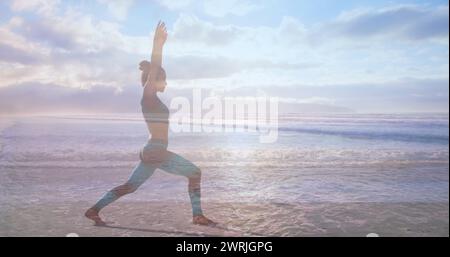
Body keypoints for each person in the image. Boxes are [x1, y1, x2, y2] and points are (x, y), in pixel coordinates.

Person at [85, 21, 216, 226]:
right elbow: (155, 68)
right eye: (163, 80)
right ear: (154, 81)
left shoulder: (153, 100)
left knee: (130, 186)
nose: (166, 84)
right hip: (156, 151)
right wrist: (158, 45)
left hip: (152, 150)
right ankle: (197, 216)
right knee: (195, 173)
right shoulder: (149, 97)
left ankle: (94, 209)